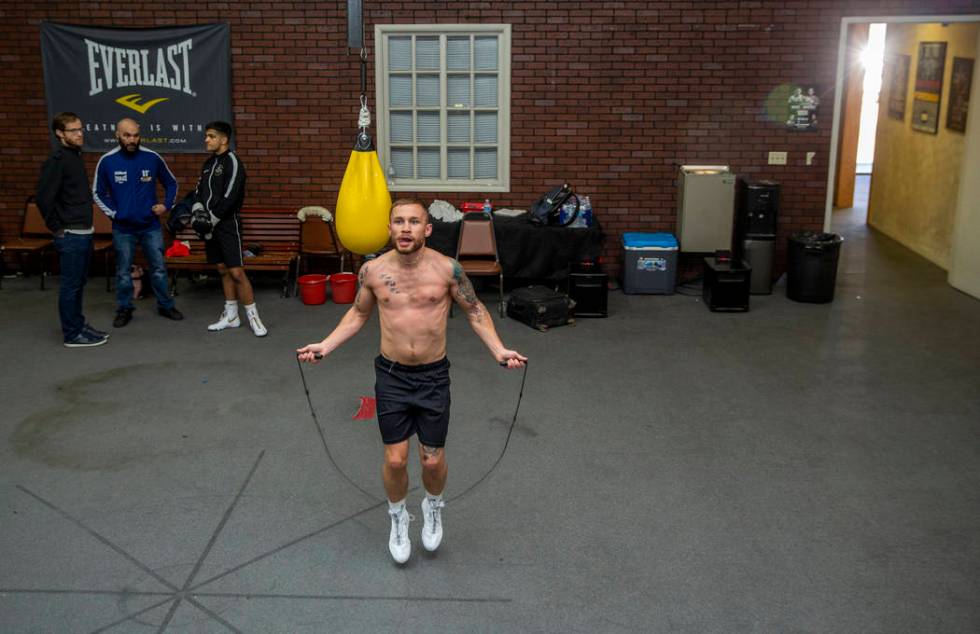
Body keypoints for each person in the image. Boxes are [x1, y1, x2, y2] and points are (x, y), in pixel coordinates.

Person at [297, 198, 527, 564]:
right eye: (399, 222)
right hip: (391, 376)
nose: (406, 228)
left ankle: (433, 506)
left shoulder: (448, 270)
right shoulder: (372, 271)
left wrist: (498, 350)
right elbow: (357, 313)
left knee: (432, 461)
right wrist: (326, 345)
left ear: (427, 229)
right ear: (389, 228)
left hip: (434, 376)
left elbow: (475, 310)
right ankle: (398, 516)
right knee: (396, 459)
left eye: (414, 222)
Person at [93, 118, 183, 327]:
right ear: (118, 135)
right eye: (127, 135)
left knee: (159, 268)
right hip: (123, 229)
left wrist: (166, 205)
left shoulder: (152, 158)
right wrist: (115, 214)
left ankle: (166, 306)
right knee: (123, 271)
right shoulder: (107, 161)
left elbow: (171, 183)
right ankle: (125, 309)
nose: (132, 139)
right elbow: (97, 193)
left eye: (135, 135)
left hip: (150, 226)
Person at [35, 112, 109, 348]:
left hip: (83, 232)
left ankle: (78, 324)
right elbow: (44, 199)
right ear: (60, 133)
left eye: (80, 129)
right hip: (70, 234)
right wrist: (57, 229)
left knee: (78, 284)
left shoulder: (74, 156)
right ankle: (72, 334)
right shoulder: (57, 160)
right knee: (70, 286)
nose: (79, 134)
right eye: (73, 130)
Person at [190, 121, 266, 336]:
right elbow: (198, 191)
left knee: (236, 271)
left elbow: (231, 197)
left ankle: (254, 318)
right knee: (222, 269)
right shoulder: (207, 164)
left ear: (223, 139)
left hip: (227, 224)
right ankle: (231, 316)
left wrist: (211, 220)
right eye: (206, 135)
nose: (207, 140)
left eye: (211, 136)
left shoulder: (233, 162)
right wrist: (197, 211)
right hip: (209, 225)